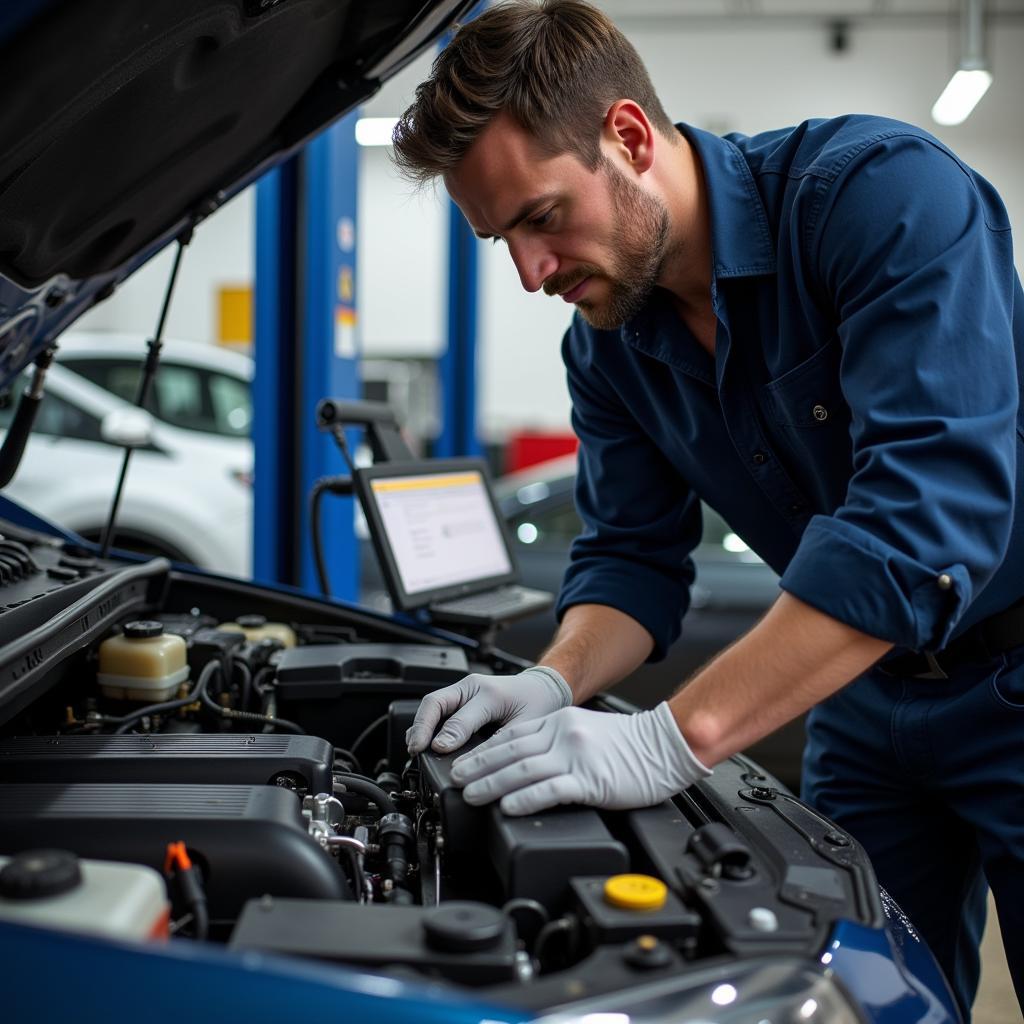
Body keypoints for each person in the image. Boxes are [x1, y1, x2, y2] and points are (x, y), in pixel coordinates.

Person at [392, 1, 1024, 1014]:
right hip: (863, 704)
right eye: (498, 237)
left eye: (541, 217)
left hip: (1013, 674)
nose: (529, 272)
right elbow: (632, 560)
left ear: (629, 137)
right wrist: (553, 683)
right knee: (869, 999)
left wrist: (666, 740)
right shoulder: (607, 345)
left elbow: (920, 518)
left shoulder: (876, 199)